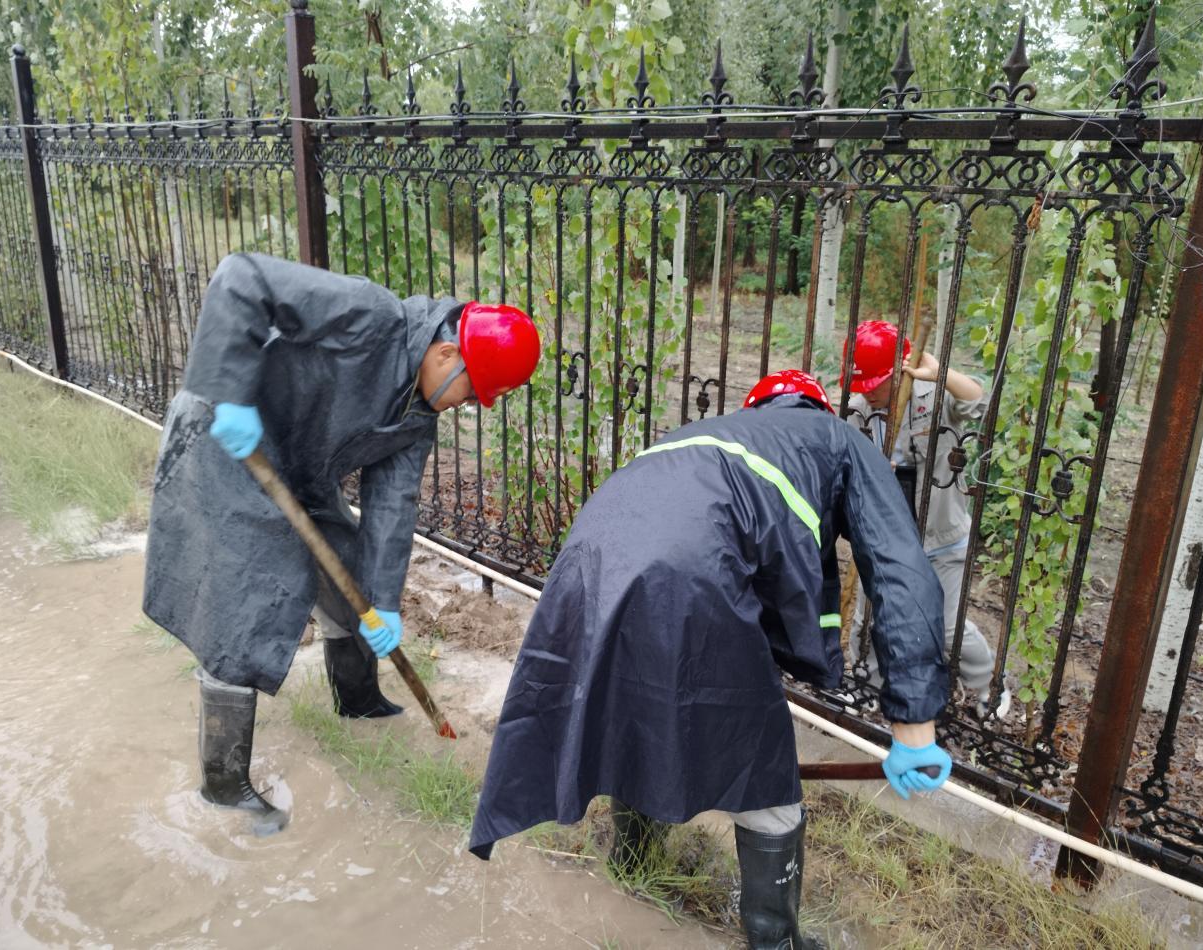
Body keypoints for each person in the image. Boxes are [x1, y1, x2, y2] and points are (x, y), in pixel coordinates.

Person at [468, 369, 952, 950]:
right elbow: (900, 571)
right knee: (760, 759)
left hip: (592, 553)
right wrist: (915, 725)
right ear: (819, 410)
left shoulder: (707, 437)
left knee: (630, 708)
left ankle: (632, 868)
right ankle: (774, 940)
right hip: (693, 568)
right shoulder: (839, 439)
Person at [143, 252, 540, 834]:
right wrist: (228, 393)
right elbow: (240, 278)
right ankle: (222, 786)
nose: (464, 406)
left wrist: (385, 603)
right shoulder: (369, 316)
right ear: (446, 353)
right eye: (469, 392)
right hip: (226, 436)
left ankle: (356, 700)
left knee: (349, 574)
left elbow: (391, 510)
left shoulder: (416, 419)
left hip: (300, 468)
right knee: (244, 599)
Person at [840, 319, 1010, 720]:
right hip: (885, 536)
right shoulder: (858, 409)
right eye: (861, 384)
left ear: (902, 370)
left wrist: (943, 373)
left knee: (948, 628)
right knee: (871, 620)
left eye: (876, 383)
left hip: (940, 535)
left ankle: (990, 686)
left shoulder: (935, 395)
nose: (868, 392)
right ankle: (866, 684)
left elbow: (980, 403)